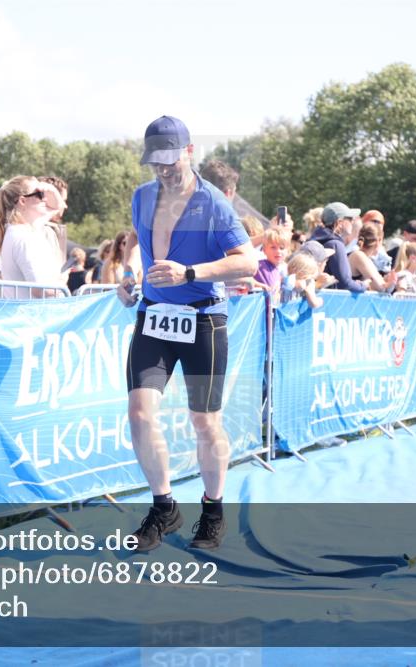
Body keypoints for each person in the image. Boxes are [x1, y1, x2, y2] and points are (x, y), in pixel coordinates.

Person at [117, 115, 257, 552]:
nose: (162, 169)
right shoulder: (142, 196)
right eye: (155, 161)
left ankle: (213, 510)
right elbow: (138, 244)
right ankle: (164, 507)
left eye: (170, 160)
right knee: (140, 414)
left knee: (205, 421)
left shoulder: (213, 202)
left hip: (203, 320)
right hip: (154, 317)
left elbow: (248, 262)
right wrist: (129, 276)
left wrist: (190, 272)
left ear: (189, 152)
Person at [0, 176, 66, 298]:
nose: (45, 199)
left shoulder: (20, 230)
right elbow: (41, 290)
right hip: (34, 309)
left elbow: (58, 207)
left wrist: (51, 189)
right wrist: (62, 281)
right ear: (22, 201)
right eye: (40, 194)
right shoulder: (23, 237)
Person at [309, 202, 369, 293]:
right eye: (350, 219)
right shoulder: (335, 245)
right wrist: (363, 285)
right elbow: (345, 283)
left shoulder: (314, 241)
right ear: (339, 222)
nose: (352, 222)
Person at [348, 223, 396, 292]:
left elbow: (381, 286)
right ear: (378, 241)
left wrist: (386, 282)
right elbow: (381, 288)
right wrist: (389, 283)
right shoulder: (359, 256)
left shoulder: (362, 256)